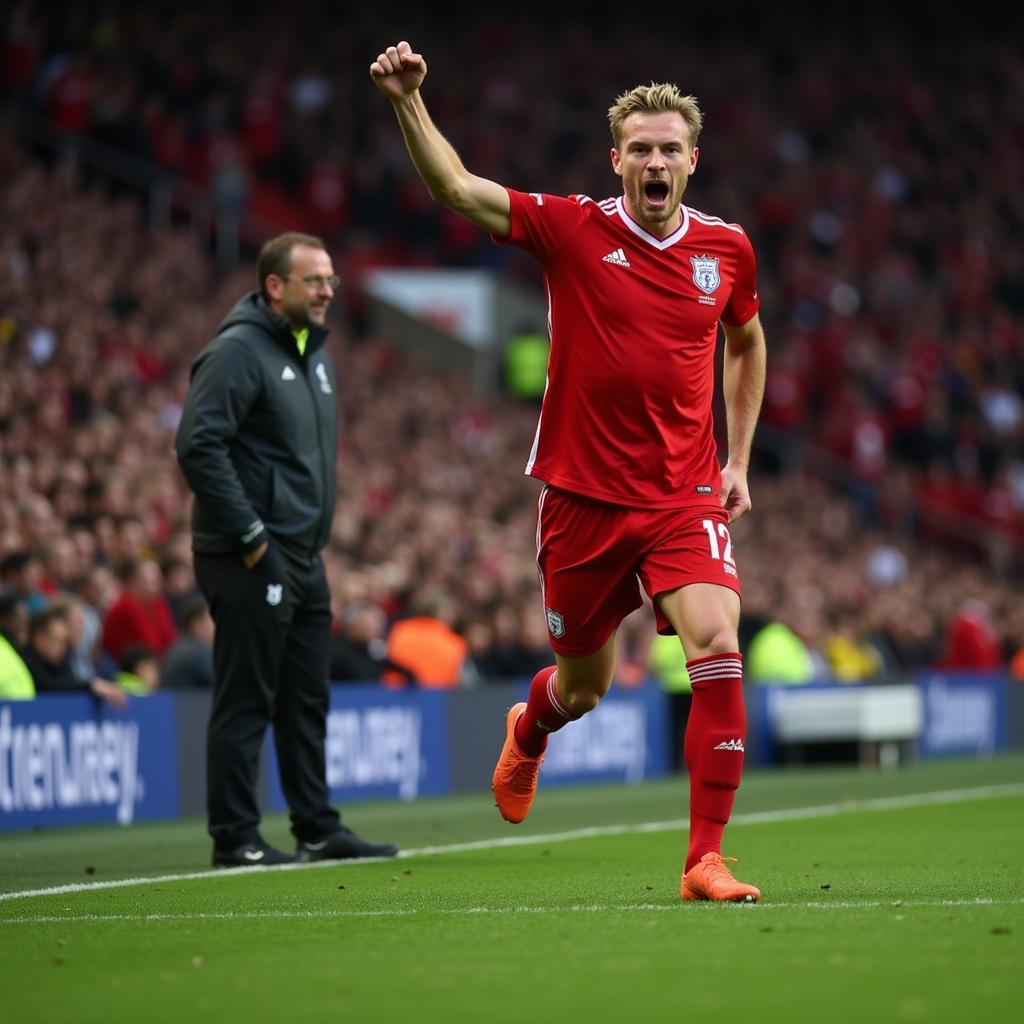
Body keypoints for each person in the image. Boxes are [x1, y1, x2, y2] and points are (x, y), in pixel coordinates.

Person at [372, 42, 767, 902]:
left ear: (693, 161)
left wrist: (736, 459)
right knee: (583, 686)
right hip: (582, 498)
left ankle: (705, 858)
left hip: (684, 494)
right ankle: (532, 725)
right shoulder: (571, 228)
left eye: (670, 149)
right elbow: (456, 188)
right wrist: (408, 101)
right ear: (616, 158)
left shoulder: (728, 250)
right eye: (641, 148)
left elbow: (745, 340)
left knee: (719, 645)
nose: (655, 162)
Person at [175, 231, 399, 868]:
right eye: (315, 281)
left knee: (306, 696)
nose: (329, 291)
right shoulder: (236, 352)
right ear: (274, 287)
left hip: (304, 555)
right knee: (246, 695)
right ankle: (235, 837)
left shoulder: (316, 355)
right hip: (248, 553)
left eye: (331, 279)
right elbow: (197, 446)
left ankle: (317, 827)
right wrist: (250, 538)